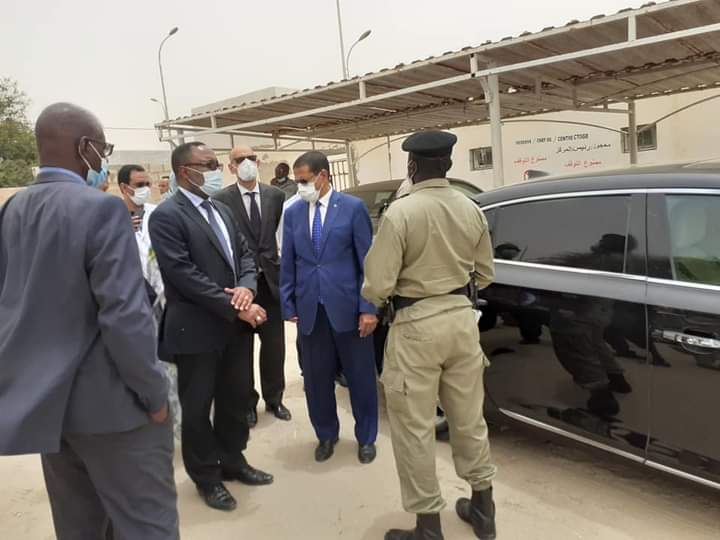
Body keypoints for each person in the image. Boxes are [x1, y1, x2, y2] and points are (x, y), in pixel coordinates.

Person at [0, 102, 178, 539]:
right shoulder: (101, 209)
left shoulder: (13, 210)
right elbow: (124, 317)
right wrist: (155, 395)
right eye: (103, 149)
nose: (104, 159)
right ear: (85, 147)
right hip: (115, 409)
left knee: (79, 527)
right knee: (147, 527)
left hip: (49, 410)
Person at [363, 130, 497, 540]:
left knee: (415, 430)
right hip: (461, 322)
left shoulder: (400, 213)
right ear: (449, 164)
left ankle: (428, 527)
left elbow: (377, 284)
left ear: (412, 165)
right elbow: (485, 274)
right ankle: (483, 510)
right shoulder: (471, 208)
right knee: (469, 420)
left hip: (416, 327)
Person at [149, 141, 273, 512]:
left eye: (217, 163)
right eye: (209, 164)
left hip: (234, 329)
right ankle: (206, 477)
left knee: (235, 399)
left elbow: (245, 255)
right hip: (196, 330)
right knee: (198, 407)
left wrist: (247, 290)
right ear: (185, 171)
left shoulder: (221, 209)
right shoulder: (167, 216)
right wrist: (235, 307)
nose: (217, 170)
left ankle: (233, 460)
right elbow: (183, 274)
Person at [280, 151, 379, 464]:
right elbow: (289, 261)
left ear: (323, 176)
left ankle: (366, 437)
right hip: (311, 310)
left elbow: (368, 262)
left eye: (304, 180)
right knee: (316, 379)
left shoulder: (352, 208)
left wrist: (368, 307)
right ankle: (326, 434)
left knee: (360, 378)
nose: (300, 187)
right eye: (298, 181)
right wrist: (287, 302)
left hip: (349, 309)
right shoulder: (294, 213)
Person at [214, 145, 291, 427]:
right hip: (240, 288)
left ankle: (274, 398)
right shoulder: (221, 200)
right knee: (240, 352)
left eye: (251, 158)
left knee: (274, 348)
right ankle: (247, 403)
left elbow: (279, 235)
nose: (247, 163)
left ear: (258, 162)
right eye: (240, 159)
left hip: (271, 284)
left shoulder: (276, 196)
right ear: (231, 166)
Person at [118, 164, 182, 436]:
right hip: (133, 304)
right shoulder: (112, 219)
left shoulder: (159, 214)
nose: (145, 189)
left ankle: (178, 423)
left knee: (171, 365)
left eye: (147, 184)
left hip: (165, 300)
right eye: (139, 185)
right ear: (124, 188)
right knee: (142, 364)